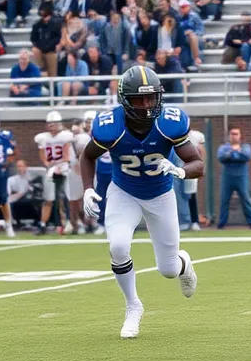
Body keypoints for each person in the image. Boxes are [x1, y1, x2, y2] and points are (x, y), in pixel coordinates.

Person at [80, 66, 204, 339]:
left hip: (161, 195)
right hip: (124, 192)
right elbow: (87, 156)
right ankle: (133, 306)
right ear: (125, 100)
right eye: (139, 99)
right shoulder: (110, 126)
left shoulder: (169, 123)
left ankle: (183, 263)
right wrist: (88, 188)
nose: (147, 105)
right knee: (118, 245)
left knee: (168, 270)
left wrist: (180, 171)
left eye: (151, 98)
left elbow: (198, 163)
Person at [36, 111, 76, 234]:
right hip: (51, 169)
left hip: (63, 168)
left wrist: (58, 166)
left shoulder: (65, 136)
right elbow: (42, 156)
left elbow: (66, 156)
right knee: (49, 198)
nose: (52, 126)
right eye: (50, 124)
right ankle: (45, 224)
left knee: (65, 196)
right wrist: (49, 165)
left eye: (54, 124)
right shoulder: (42, 138)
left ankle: (68, 222)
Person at [216, 127, 251, 229]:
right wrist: (232, 152)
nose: (234, 136)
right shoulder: (224, 147)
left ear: (240, 135)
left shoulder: (245, 146)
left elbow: (246, 156)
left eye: (236, 134)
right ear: (229, 136)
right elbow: (221, 157)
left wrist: (233, 155)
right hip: (227, 177)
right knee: (224, 200)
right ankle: (221, 224)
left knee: (246, 199)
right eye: (232, 134)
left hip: (241, 177)